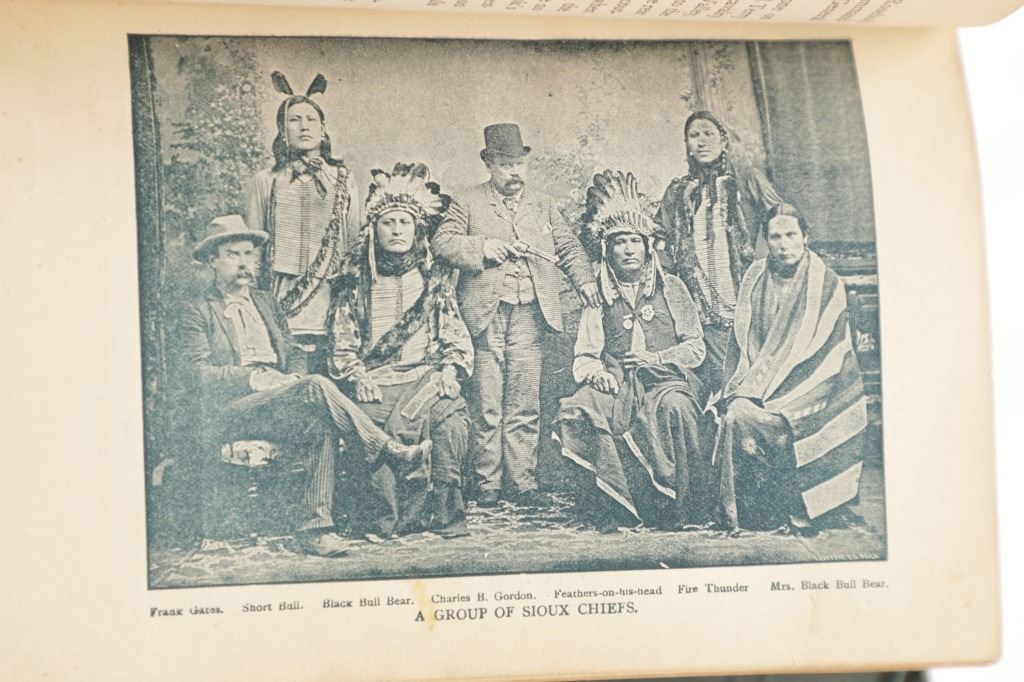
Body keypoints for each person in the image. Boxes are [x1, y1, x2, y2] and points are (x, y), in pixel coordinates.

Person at [179, 215, 431, 557]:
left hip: (280, 397)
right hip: (232, 409)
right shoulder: (196, 309)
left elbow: (293, 350)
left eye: (249, 254)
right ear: (212, 260)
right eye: (232, 254)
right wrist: (254, 378)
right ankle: (388, 451)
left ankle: (316, 530)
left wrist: (293, 378)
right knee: (316, 388)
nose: (243, 263)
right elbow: (196, 373)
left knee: (318, 417)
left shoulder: (265, 301)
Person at [432, 123, 600, 507]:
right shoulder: (468, 202)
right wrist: (482, 247)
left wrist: (585, 281)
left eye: (519, 164)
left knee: (524, 403)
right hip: (485, 315)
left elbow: (569, 248)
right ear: (489, 164)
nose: (514, 173)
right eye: (506, 165)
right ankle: (486, 483)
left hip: (530, 316)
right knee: (487, 402)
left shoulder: (543, 205)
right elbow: (441, 243)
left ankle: (522, 482)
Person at [553, 170, 713, 531]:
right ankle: (614, 506)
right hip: (620, 381)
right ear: (607, 249)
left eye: (635, 241)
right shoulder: (599, 293)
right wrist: (598, 375)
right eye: (620, 242)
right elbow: (586, 354)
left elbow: (695, 347)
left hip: (668, 380)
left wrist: (657, 359)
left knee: (675, 408)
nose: (628, 249)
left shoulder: (672, 287)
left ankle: (675, 506)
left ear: (647, 247)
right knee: (579, 409)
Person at [327, 163, 474, 538]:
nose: (396, 230)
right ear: (373, 228)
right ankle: (386, 518)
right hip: (375, 381)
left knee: (450, 418)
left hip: (425, 378)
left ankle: (441, 516)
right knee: (370, 421)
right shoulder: (354, 279)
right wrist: (357, 377)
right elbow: (342, 341)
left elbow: (453, 332)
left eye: (404, 222)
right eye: (388, 222)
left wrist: (450, 371)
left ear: (417, 228)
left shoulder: (434, 278)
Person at [712, 203, 868, 533]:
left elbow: (825, 352)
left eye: (791, 235)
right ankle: (751, 515)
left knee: (772, 418)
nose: (784, 245)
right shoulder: (754, 277)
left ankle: (801, 509)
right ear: (766, 241)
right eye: (775, 237)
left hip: (816, 386)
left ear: (805, 237)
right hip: (759, 381)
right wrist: (746, 387)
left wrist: (781, 391)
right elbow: (744, 342)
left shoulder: (825, 282)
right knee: (737, 412)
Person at [656, 110, 783, 392]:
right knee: (719, 383)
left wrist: (766, 264)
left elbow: (781, 218)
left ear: (723, 141)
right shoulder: (677, 192)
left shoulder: (746, 181)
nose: (701, 141)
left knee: (758, 380)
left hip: (748, 301)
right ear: (687, 145)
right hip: (703, 310)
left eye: (708, 134)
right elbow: (659, 239)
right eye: (694, 136)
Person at [244, 72, 362, 374]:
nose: (304, 126)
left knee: (331, 370)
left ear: (323, 129)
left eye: (311, 119)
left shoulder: (343, 179)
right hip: (282, 292)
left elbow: (353, 242)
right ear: (282, 131)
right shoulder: (265, 180)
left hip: (330, 292)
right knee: (289, 367)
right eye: (294, 120)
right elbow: (254, 245)